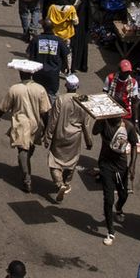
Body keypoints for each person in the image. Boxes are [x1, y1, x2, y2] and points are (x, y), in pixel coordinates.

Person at [0, 61, 50, 193]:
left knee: (22, 151)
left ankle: (27, 178)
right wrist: (46, 127)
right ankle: (25, 168)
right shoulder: (40, 89)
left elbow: (5, 106)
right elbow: (45, 111)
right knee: (27, 148)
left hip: (20, 124)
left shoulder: (15, 89)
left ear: (20, 73)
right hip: (35, 124)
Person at [40, 74, 93, 202]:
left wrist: (48, 137)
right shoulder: (83, 100)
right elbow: (86, 124)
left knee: (54, 161)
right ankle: (67, 182)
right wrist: (88, 140)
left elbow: (53, 121)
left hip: (60, 135)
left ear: (66, 86)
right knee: (72, 161)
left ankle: (59, 184)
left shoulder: (60, 99)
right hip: (75, 138)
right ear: (77, 86)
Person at [97, 115, 139, 245]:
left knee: (123, 194)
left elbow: (134, 145)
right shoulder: (104, 123)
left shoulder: (128, 127)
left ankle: (119, 207)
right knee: (108, 198)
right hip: (105, 164)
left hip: (120, 166)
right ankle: (110, 231)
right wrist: (100, 120)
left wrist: (132, 165)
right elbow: (94, 131)